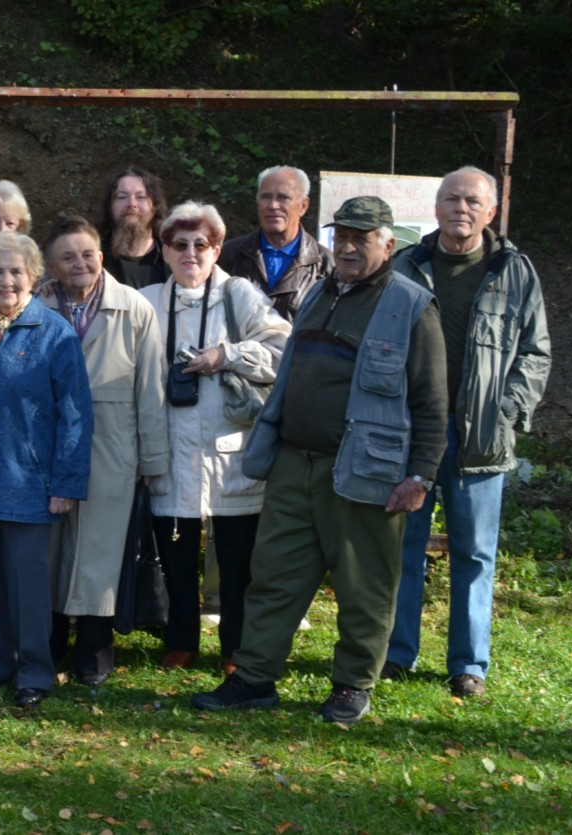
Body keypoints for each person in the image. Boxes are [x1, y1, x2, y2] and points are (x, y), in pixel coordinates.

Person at [191, 197, 447, 724]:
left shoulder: (412, 305)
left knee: (363, 583)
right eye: (342, 236)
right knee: (273, 577)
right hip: (293, 464)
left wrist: (420, 476)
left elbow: (432, 403)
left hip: (365, 472)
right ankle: (254, 678)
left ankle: (353, 684)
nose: (349, 246)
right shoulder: (318, 294)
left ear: (387, 244)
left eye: (362, 238)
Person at [386, 166, 551, 698]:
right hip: (414, 432)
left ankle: (468, 666)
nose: (461, 208)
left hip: (481, 437)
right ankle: (396, 654)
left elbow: (535, 351)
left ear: (491, 212)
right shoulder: (406, 266)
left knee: (475, 553)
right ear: (435, 208)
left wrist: (507, 411)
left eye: (473, 201)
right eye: (452, 199)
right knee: (402, 547)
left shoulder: (515, 271)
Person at [140, 202, 291, 673]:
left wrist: (226, 353)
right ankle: (182, 637)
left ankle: (235, 647)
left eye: (200, 245)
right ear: (164, 250)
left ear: (217, 249)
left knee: (236, 560)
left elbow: (283, 348)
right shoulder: (144, 301)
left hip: (230, 449)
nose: (190, 253)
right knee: (176, 553)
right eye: (179, 244)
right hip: (169, 446)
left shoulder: (238, 294)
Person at [0, 231, 92, 709]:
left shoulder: (53, 333)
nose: (7, 280)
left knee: (30, 586)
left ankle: (35, 670)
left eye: (17, 272)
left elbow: (76, 412)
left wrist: (67, 483)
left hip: (32, 486)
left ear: (34, 277)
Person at [35, 214, 168, 686]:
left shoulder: (134, 309)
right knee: (50, 548)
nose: (80, 263)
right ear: (50, 265)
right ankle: (47, 645)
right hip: (48, 446)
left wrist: (152, 461)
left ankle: (93, 651)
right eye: (67, 256)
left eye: (88, 253)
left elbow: (152, 390)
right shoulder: (36, 307)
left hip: (113, 447)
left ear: (102, 256)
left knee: (99, 550)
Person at [216, 166, 334, 322]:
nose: (272, 205)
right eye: (266, 197)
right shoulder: (227, 255)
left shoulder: (325, 265)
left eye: (283, 197)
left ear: (303, 205)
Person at [97, 166, 170, 290]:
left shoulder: (174, 257)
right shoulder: (95, 260)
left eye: (141, 197)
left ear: (154, 206)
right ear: (110, 207)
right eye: (122, 197)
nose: (131, 204)